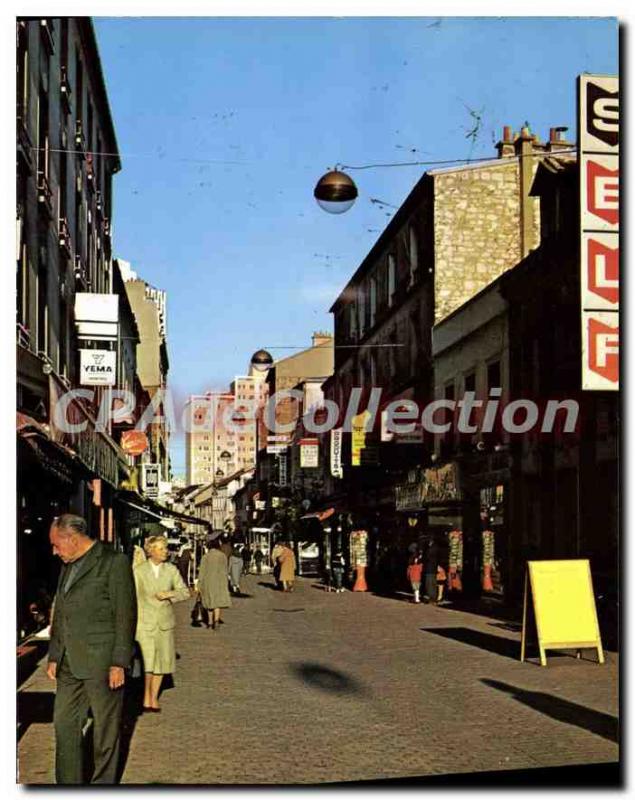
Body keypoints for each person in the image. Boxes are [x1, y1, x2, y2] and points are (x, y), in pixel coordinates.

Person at [46, 514, 136, 784]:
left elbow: (126, 614)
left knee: (104, 734)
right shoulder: (67, 565)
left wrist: (119, 661)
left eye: (56, 545)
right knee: (64, 726)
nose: (54, 551)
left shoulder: (113, 562)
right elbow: (61, 611)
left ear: (71, 539)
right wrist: (54, 655)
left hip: (103, 662)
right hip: (68, 662)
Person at [133, 536, 190, 713]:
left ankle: (154, 697)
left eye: (165, 548)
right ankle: (146, 697)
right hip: (144, 622)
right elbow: (132, 597)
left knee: (161, 663)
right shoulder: (139, 571)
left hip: (165, 622)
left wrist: (169, 594)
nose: (165, 551)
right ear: (151, 551)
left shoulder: (171, 570)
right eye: (161, 548)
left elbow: (185, 592)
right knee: (148, 662)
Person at [197, 537, 232, 629]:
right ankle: (216, 621)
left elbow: (202, 571)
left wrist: (199, 583)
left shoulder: (205, 557)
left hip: (208, 582)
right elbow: (226, 569)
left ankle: (210, 622)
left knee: (209, 603)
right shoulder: (222, 556)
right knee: (217, 602)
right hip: (219, 581)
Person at [424, 537, 439, 604]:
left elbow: (427, 557)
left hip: (429, 568)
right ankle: (434, 597)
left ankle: (431, 598)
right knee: (433, 583)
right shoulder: (436, 548)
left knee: (429, 584)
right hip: (434, 569)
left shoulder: (430, 549)